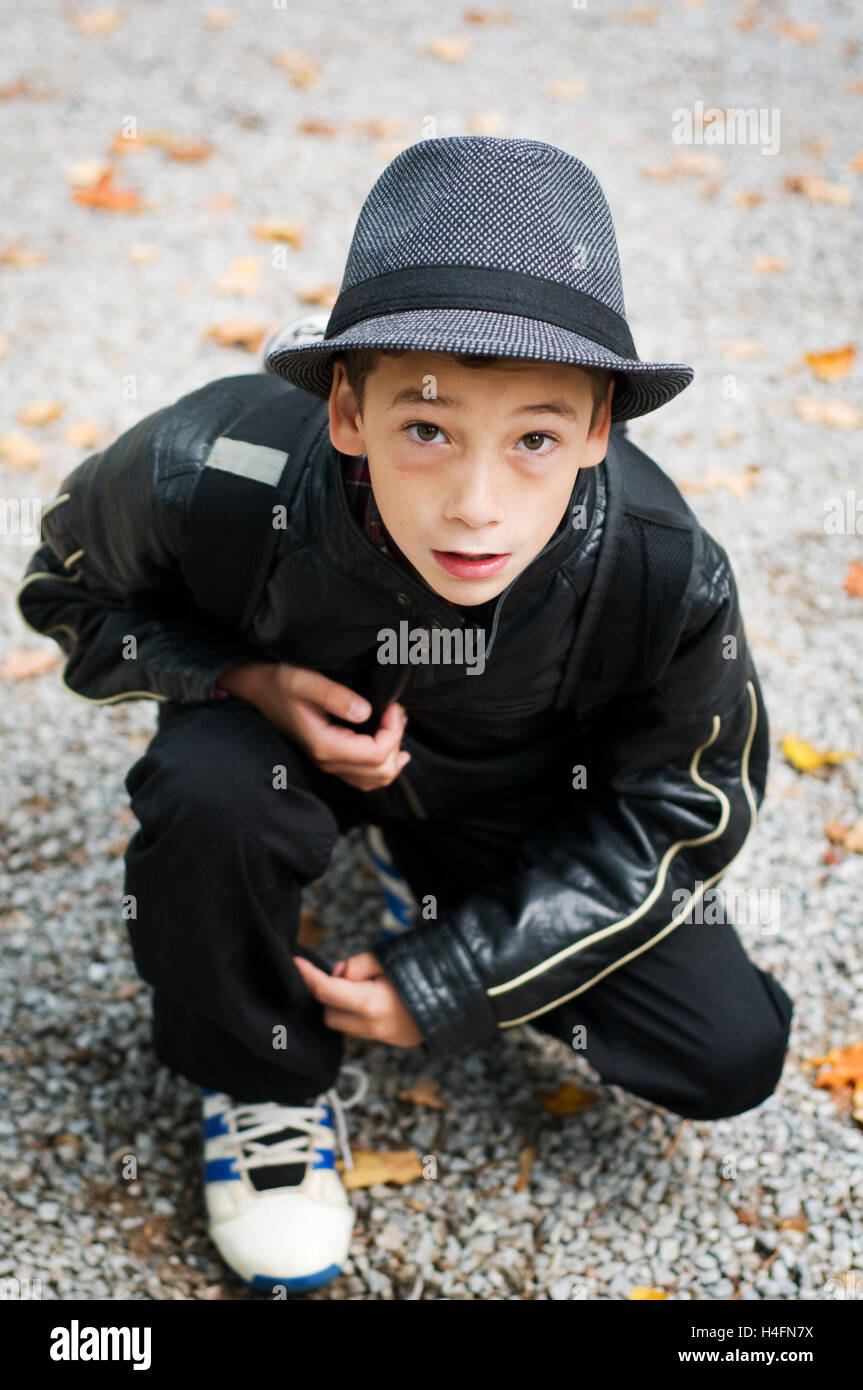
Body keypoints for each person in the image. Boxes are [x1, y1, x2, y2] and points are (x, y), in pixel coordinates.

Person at [15, 135, 793, 1295]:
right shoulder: (206, 468)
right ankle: (261, 1082)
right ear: (345, 407)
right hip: (280, 745)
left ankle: (423, 875)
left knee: (730, 1048)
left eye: (533, 438)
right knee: (211, 796)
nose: (476, 506)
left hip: (509, 789)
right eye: (425, 429)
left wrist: (455, 977)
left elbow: (683, 809)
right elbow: (63, 590)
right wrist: (238, 679)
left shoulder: (663, 568)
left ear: (597, 431)